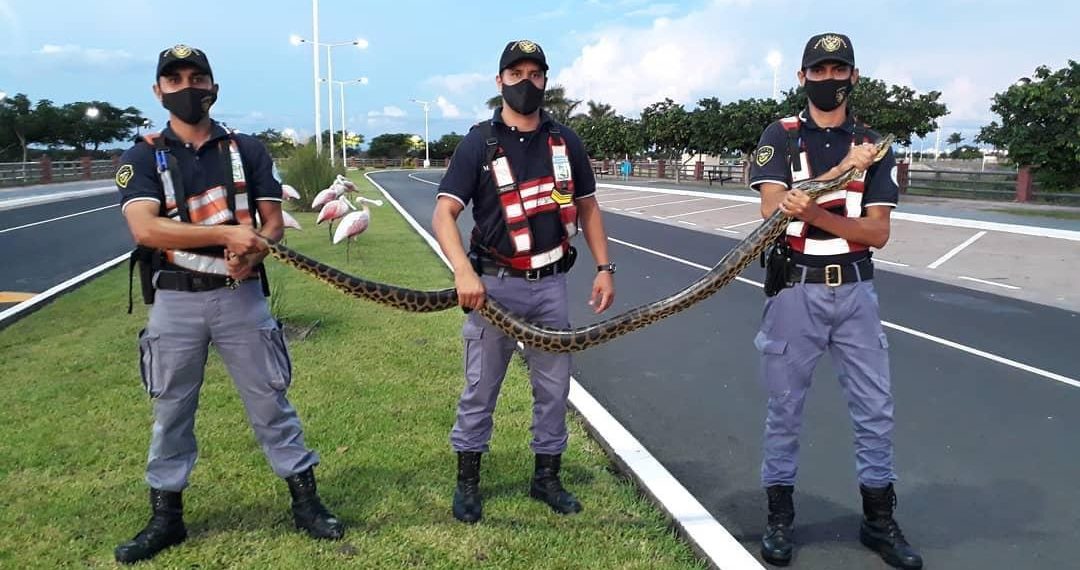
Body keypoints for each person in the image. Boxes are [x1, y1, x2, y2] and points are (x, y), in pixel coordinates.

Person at [113, 44, 343, 564]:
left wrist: (255, 246)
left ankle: (306, 503)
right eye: (175, 81)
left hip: (240, 297)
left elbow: (274, 223)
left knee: (271, 402)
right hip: (175, 300)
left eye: (198, 78)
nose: (188, 88)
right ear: (158, 91)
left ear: (214, 86)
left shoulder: (248, 149)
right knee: (171, 409)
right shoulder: (144, 155)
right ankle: (165, 517)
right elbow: (145, 227)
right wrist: (225, 235)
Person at [747, 33, 922, 569]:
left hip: (855, 289)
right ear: (802, 77)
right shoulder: (780, 136)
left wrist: (817, 212)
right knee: (785, 410)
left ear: (853, 77)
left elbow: (876, 234)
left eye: (837, 70)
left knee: (875, 409)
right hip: (795, 289)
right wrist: (841, 171)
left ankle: (878, 517)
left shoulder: (873, 145)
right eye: (817, 71)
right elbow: (772, 212)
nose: (828, 80)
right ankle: (779, 517)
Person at [431, 39, 616, 524]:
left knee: (554, 388)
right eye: (517, 74)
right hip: (493, 287)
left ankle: (547, 478)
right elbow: (444, 214)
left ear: (545, 81)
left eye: (536, 74)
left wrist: (603, 267)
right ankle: (468, 481)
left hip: (551, 284)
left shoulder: (565, 141)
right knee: (481, 387)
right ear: (500, 82)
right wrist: (463, 271)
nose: (526, 83)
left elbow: (589, 207)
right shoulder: (479, 143)